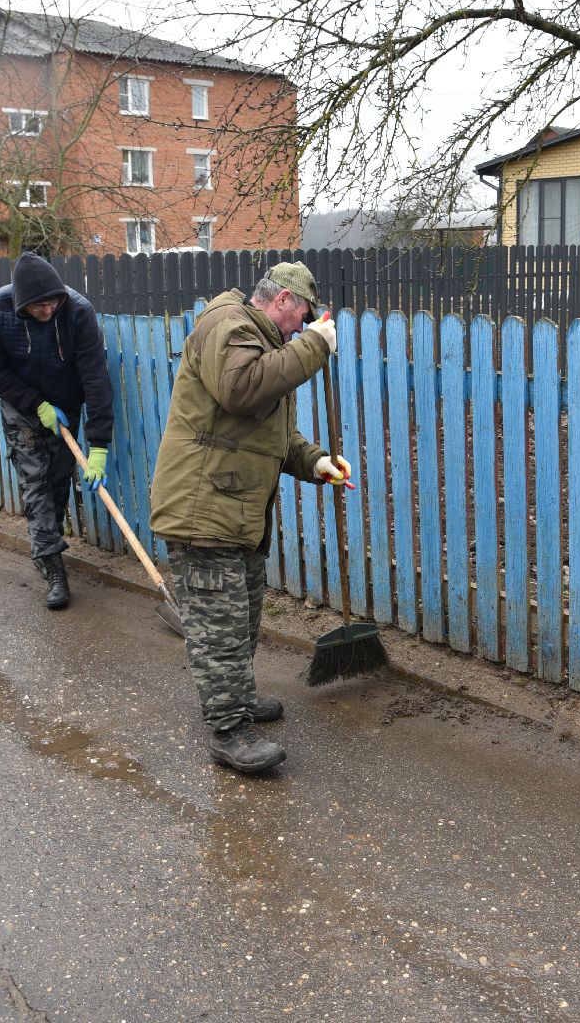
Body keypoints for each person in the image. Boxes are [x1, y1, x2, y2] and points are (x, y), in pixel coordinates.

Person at [148, 261, 352, 774]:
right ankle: (228, 730)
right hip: (204, 508)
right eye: (300, 318)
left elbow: (269, 432)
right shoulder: (229, 327)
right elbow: (242, 390)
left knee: (241, 618)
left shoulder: (259, 342)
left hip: (236, 508)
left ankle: (237, 698)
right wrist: (315, 348)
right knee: (218, 627)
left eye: (307, 326)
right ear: (282, 299)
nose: (301, 329)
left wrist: (316, 462)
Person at [0, 252, 114, 610]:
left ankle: (46, 545)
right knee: (34, 481)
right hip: (22, 406)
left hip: (66, 406)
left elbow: (95, 377)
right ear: (22, 303)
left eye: (52, 302)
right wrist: (35, 405)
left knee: (57, 481)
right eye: (38, 306)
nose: (47, 310)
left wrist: (98, 445)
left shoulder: (78, 311)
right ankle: (53, 568)